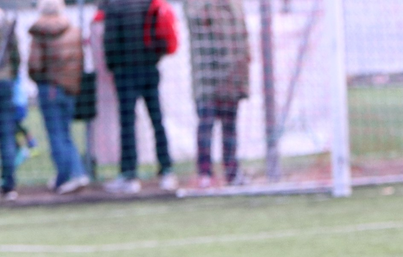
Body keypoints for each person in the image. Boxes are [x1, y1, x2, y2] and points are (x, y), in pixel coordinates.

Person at [103, 0, 176, 193]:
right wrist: (153, 58)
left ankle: (129, 175)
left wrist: (113, 66)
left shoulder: (115, 6)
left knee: (127, 124)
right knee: (157, 121)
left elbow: (110, 40)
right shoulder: (148, 3)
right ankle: (167, 170)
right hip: (149, 68)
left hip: (125, 71)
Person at [28, 0, 90, 194]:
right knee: (65, 133)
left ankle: (68, 176)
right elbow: (80, 61)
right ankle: (74, 173)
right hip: (69, 88)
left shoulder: (41, 31)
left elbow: (35, 64)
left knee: (56, 135)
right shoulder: (73, 30)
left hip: (50, 87)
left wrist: (39, 79)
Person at [188, 0, 250, 188]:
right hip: (207, 78)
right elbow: (196, 18)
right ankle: (205, 173)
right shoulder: (197, 5)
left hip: (232, 77)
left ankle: (232, 172)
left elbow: (242, 36)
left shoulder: (235, 5)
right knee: (206, 124)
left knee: (230, 127)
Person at [1, 8, 20, 201]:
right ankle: (9, 185)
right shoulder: (6, 23)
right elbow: (16, 56)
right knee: (7, 136)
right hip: (5, 82)